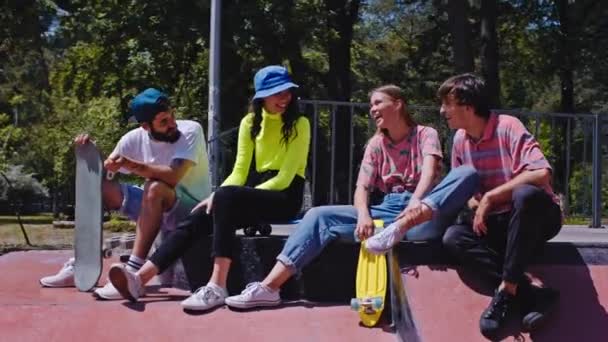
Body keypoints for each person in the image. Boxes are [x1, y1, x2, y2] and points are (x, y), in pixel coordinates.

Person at [222, 84, 479, 309]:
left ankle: (400, 227)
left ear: (398, 104)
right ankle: (269, 288)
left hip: (424, 212)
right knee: (318, 215)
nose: (372, 109)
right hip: (387, 214)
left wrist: (416, 203)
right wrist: (364, 215)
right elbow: (362, 188)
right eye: (370, 105)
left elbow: (430, 170)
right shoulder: (376, 144)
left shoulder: (426, 133)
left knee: (467, 173)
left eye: (378, 102)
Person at [107, 65, 310, 311]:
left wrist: (228, 196)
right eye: (277, 93)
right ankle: (139, 279)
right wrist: (217, 196)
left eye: (287, 92)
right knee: (199, 217)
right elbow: (239, 171)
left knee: (225, 197)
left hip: (285, 197)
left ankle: (217, 286)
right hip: (256, 193)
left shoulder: (300, 124)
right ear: (261, 96)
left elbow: (285, 178)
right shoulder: (249, 123)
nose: (284, 98)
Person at [39, 88, 211, 301]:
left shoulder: (191, 130)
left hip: (191, 210)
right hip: (155, 208)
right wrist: (92, 155)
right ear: (145, 126)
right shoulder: (132, 139)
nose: (172, 124)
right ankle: (82, 261)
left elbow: (173, 176)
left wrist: (131, 165)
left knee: (154, 187)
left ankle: (133, 270)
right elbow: (108, 170)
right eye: (164, 122)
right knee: (101, 186)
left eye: (172, 116)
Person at [435, 74, 562, 340]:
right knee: (454, 237)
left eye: (447, 104)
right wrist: (475, 203)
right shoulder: (459, 140)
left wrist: (491, 197)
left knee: (525, 194)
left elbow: (541, 174)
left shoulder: (508, 126)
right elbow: (465, 191)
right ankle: (528, 293)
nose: (442, 111)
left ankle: (506, 293)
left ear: (467, 106)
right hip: (499, 224)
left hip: (535, 218)